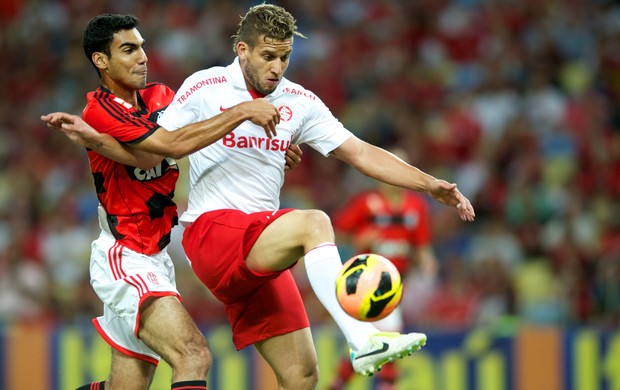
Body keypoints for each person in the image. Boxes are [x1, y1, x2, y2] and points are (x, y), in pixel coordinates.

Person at [45, 5, 475, 389]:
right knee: (314, 223)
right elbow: (160, 145)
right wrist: (97, 141)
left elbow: (359, 151)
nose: (277, 67)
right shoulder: (205, 87)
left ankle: (359, 342)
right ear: (242, 49)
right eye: (268, 56)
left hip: (258, 250)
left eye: (285, 57)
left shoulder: (300, 101)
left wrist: (429, 184)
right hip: (212, 232)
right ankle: (362, 337)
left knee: (302, 375)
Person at [41, 13, 302, 390]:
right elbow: (171, 145)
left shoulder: (162, 97)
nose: (142, 57)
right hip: (124, 254)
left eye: (143, 47)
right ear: (101, 61)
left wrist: (275, 148)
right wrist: (243, 110)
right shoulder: (99, 109)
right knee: (193, 354)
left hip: (158, 256)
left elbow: (194, 139)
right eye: (128, 49)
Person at [327, 148, 439, 390]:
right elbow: (336, 232)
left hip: (398, 282)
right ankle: (387, 385)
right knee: (390, 335)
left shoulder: (416, 206)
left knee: (371, 342)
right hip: (365, 284)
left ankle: (335, 385)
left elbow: (421, 244)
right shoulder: (366, 203)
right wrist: (359, 238)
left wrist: (427, 260)